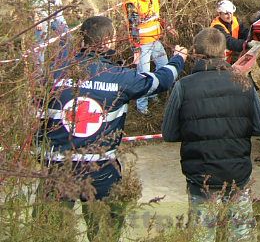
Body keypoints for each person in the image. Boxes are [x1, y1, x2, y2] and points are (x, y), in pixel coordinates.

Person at [38, 16, 186, 242]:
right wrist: (178, 59)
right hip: (102, 171)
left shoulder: (52, 73)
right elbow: (159, 81)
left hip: (56, 168)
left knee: (48, 233)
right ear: (109, 41)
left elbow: (35, 117)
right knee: (104, 234)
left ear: (82, 40)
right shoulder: (121, 77)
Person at [162, 28, 260, 242]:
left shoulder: (183, 86)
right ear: (224, 52)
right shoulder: (244, 83)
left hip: (201, 178)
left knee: (202, 235)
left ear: (195, 52)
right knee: (242, 236)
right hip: (237, 174)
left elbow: (169, 133)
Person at [123, 0, 177, 115]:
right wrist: (136, 49)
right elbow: (132, 27)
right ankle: (142, 108)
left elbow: (156, 16)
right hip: (142, 45)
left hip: (155, 39)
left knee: (164, 65)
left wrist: (167, 26)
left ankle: (153, 94)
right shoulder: (132, 2)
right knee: (144, 75)